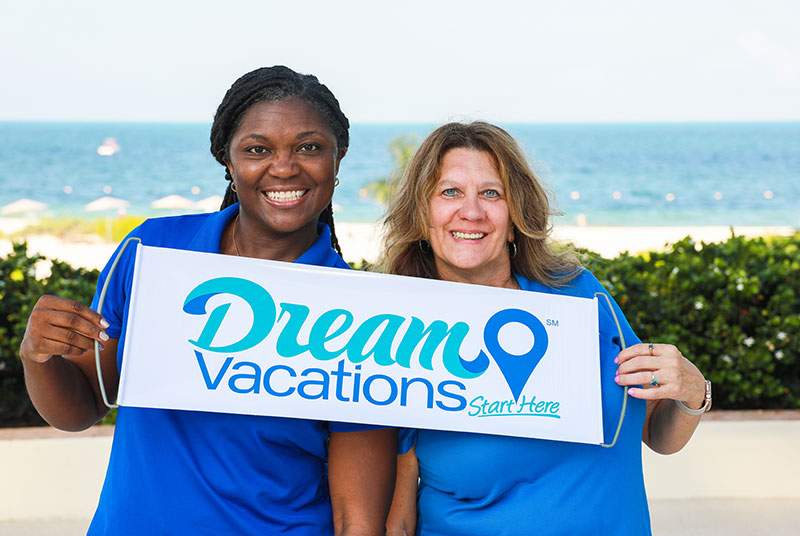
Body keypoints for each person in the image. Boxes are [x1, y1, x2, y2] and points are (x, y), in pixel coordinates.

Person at [19, 66, 396, 535]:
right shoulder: (151, 251)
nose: (284, 167)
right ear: (228, 160)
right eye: (258, 149)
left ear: (338, 160)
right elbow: (85, 406)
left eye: (309, 147)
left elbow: (355, 518)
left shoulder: (365, 312)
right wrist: (37, 356)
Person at [381, 122, 710, 536]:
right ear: (422, 214)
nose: (472, 211)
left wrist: (695, 391)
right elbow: (398, 516)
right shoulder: (402, 331)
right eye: (450, 192)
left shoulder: (580, 294)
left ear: (516, 215)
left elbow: (657, 434)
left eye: (491, 193)